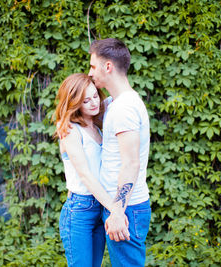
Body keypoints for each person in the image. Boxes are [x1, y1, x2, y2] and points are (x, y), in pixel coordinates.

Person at [88, 38, 151, 266]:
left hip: (126, 209)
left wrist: (117, 211)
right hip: (121, 207)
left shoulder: (124, 108)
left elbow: (131, 163)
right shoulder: (117, 103)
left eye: (93, 66)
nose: (90, 72)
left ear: (108, 67)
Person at [53, 73, 125, 266]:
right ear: (74, 102)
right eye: (86, 100)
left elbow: (122, 94)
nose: (94, 103)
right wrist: (114, 208)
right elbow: (85, 175)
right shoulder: (69, 129)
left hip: (100, 206)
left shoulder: (98, 124)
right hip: (79, 210)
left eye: (95, 96)